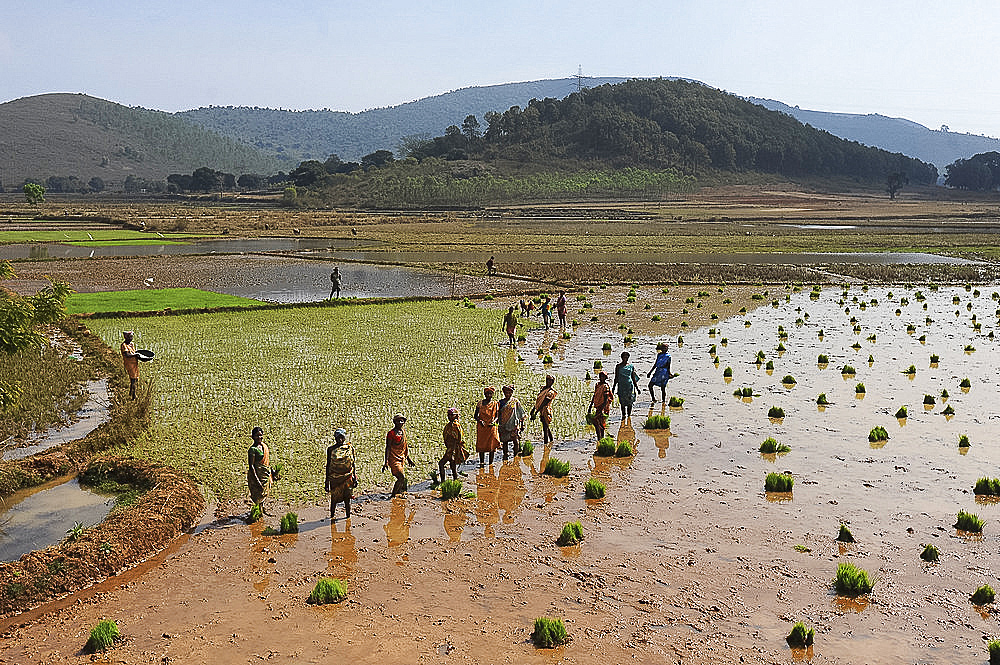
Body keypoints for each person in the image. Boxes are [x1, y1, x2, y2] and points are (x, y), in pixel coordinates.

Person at [325, 428, 355, 520]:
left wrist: (355, 477)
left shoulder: (349, 448)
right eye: (338, 438)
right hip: (335, 478)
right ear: (335, 438)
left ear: (345, 438)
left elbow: (353, 463)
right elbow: (328, 465)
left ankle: (348, 517)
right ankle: (332, 516)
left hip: (348, 477)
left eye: (342, 437)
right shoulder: (331, 449)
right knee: (334, 498)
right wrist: (327, 481)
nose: (340, 440)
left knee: (347, 498)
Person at [383, 414, 416, 496]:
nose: (400, 423)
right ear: (395, 422)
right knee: (401, 477)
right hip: (393, 458)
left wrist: (408, 458)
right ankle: (393, 495)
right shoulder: (391, 433)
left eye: (402, 421)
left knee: (401, 477)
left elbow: (405, 447)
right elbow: (388, 447)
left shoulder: (403, 432)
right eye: (398, 421)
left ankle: (398, 492)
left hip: (401, 458)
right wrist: (386, 461)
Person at [439, 407, 469, 481]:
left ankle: (443, 481)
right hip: (450, 447)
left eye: (452, 415)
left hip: (453, 448)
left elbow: (460, 438)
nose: (449, 417)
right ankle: (455, 479)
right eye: (448, 415)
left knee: (442, 463)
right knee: (452, 464)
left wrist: (454, 447)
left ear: (456, 416)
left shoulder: (455, 426)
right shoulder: (449, 425)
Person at [497, 385, 526, 459]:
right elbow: (497, 414)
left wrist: (522, 424)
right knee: (505, 441)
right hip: (503, 424)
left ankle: (515, 455)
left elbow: (521, 413)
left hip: (514, 424)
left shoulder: (515, 401)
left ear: (512, 393)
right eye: (506, 392)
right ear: (503, 393)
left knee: (515, 440)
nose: (508, 394)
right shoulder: (501, 403)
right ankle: (505, 455)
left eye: (509, 392)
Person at [474, 387, 501, 466]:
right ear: (484, 394)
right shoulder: (480, 403)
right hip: (482, 427)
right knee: (481, 445)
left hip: (491, 427)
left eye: (490, 394)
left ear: (492, 394)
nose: (489, 395)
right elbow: (475, 415)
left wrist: (493, 421)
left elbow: (497, 416)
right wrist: (480, 421)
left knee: (491, 445)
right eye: (487, 394)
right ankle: (482, 462)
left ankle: (490, 463)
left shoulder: (495, 404)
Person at [247, 426, 272, 509]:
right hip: (257, 475)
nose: (259, 437)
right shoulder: (252, 449)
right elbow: (251, 466)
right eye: (257, 436)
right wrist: (257, 480)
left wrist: (272, 471)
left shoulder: (264, 446)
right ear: (253, 437)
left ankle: (262, 508)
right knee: (257, 494)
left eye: (261, 435)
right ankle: (257, 511)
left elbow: (266, 462)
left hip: (264, 474)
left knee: (264, 492)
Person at [530, 375, 558, 446]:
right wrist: (534, 409)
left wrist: (536, 412)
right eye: (548, 380)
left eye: (550, 381)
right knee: (546, 427)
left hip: (545, 410)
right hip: (541, 409)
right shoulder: (543, 389)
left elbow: (544, 402)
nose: (549, 382)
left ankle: (546, 444)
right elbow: (539, 401)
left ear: (552, 382)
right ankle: (551, 442)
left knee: (545, 428)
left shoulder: (551, 392)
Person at [612, 351, 640, 420]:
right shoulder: (618, 366)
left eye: (626, 357)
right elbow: (616, 377)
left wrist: (637, 388)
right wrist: (613, 388)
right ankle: (624, 415)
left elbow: (633, 377)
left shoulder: (631, 366)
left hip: (629, 386)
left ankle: (629, 416)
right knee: (622, 402)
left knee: (630, 402)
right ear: (621, 358)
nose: (625, 358)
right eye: (624, 357)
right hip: (621, 386)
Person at [588, 371, 613, 440]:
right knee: (597, 423)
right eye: (601, 376)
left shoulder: (605, 387)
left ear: (605, 378)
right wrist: (590, 405)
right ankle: (599, 437)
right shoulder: (597, 385)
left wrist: (602, 408)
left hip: (603, 407)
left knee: (600, 423)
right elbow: (595, 395)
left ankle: (601, 437)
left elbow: (606, 399)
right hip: (598, 406)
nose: (602, 378)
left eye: (603, 377)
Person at [120, 331, 140, 400]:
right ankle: (133, 396)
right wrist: (135, 355)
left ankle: (131, 393)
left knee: (135, 379)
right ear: (126, 337)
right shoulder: (124, 345)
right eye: (130, 337)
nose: (131, 338)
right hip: (129, 364)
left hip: (134, 364)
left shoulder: (131, 344)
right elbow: (127, 355)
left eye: (132, 337)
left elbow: (134, 352)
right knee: (133, 380)